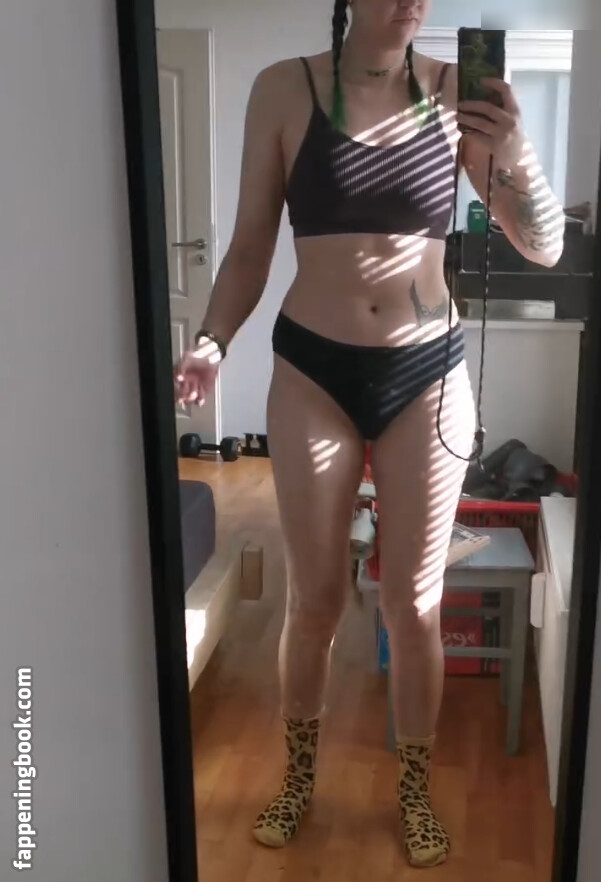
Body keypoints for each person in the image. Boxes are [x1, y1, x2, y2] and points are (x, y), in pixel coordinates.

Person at [175, 0, 565, 869]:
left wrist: (515, 154)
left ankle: (414, 791)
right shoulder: (283, 90)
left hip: (427, 375)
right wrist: (211, 340)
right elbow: (248, 247)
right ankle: (297, 776)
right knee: (313, 599)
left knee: (414, 603)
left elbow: (539, 246)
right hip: (312, 372)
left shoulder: (456, 93)